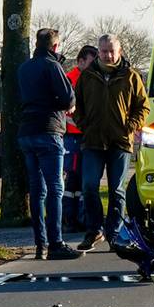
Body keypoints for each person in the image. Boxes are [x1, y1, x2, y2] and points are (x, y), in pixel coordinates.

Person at [74, 34, 149, 252]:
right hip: (92, 142)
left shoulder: (131, 77)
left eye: (111, 51)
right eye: (104, 51)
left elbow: (143, 106)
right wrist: (84, 124)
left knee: (117, 190)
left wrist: (131, 126)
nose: (108, 55)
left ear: (119, 52)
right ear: (98, 52)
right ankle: (94, 230)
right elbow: (76, 105)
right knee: (88, 187)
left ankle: (114, 234)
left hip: (120, 142)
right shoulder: (86, 77)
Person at [17, 28, 82, 260]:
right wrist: (64, 102)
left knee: (37, 190)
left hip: (27, 131)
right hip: (49, 130)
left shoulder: (24, 68)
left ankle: (40, 244)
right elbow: (67, 98)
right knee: (56, 188)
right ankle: (56, 243)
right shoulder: (52, 66)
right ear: (55, 46)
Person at [62, 44, 99, 233]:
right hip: (74, 137)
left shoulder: (89, 78)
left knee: (86, 180)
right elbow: (68, 112)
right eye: (91, 63)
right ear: (80, 61)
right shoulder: (70, 80)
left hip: (85, 136)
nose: (94, 66)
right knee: (73, 179)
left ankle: (83, 218)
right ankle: (70, 218)